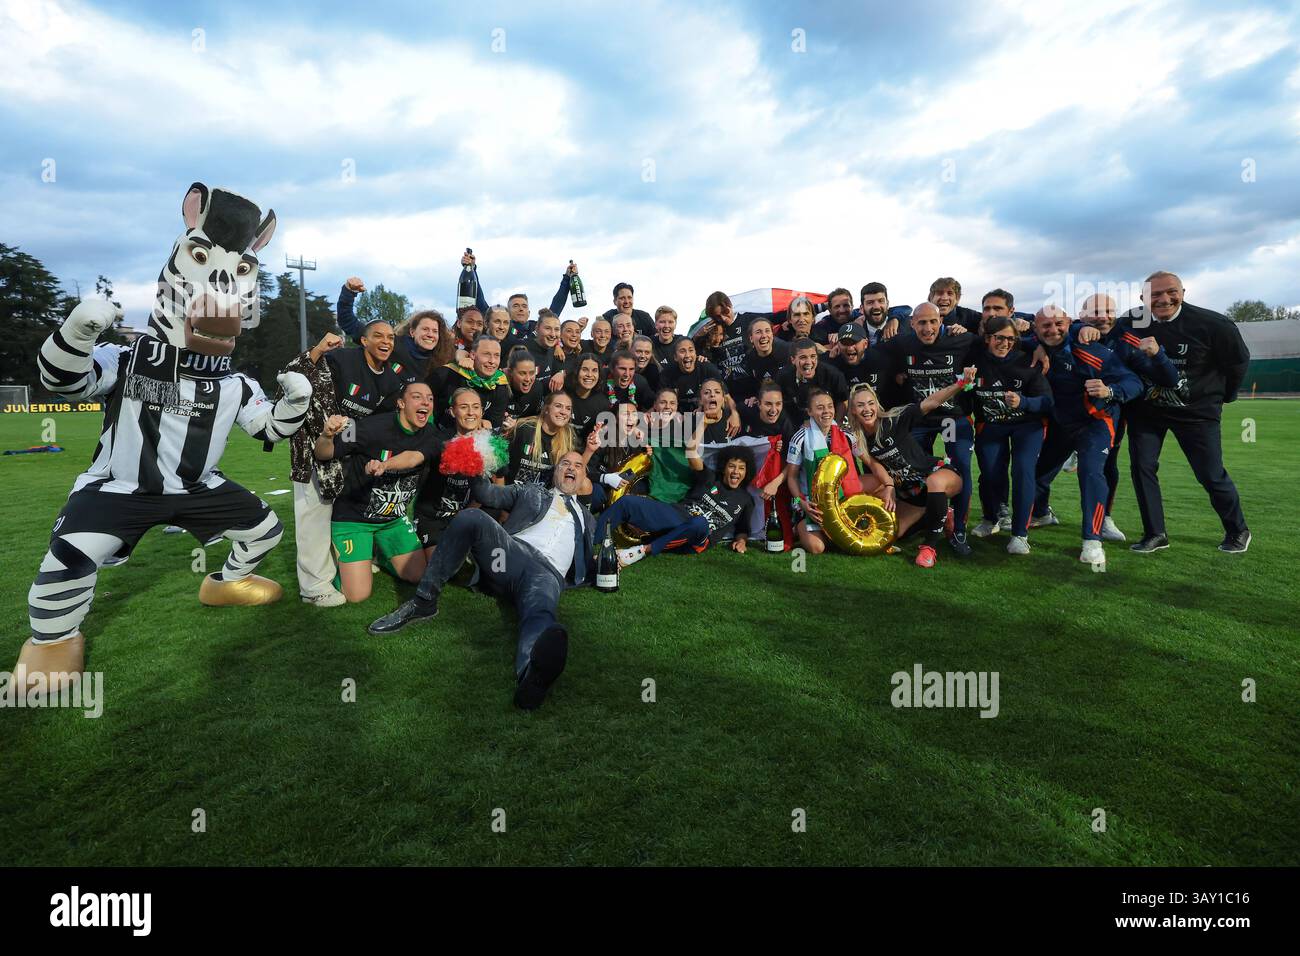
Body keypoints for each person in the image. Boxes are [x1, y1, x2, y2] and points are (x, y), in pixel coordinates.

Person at [368, 450, 598, 711]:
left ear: (583, 477)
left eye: (577, 465)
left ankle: (531, 677)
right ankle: (424, 601)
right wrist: (476, 465)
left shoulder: (588, 520)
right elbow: (487, 494)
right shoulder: (532, 492)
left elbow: (590, 562)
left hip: (548, 575)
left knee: (541, 613)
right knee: (472, 517)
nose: (571, 468)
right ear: (555, 471)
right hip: (512, 553)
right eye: (565, 463)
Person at [1125, 271, 1252, 554]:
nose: (1164, 299)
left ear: (1183, 292)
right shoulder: (1131, 322)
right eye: (1155, 294)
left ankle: (1237, 529)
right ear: (1143, 298)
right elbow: (1101, 333)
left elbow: (1238, 362)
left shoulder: (1213, 324)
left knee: (1209, 474)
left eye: (1171, 291)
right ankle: (1155, 533)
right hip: (1148, 411)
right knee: (1142, 468)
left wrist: (1223, 397)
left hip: (1196, 412)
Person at [1040, 293, 1180, 541]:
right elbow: (1042, 324)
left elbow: (1167, 380)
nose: (1102, 316)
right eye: (1094, 312)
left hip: (1108, 415)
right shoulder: (1068, 331)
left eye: (1107, 310)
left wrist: (1156, 355)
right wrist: (1038, 341)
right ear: (1081, 316)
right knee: (1042, 467)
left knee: (1103, 468)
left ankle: (1103, 519)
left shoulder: (1127, 341)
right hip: (1065, 416)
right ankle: (1040, 511)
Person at [1027, 306, 1142, 569]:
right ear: (1036, 329)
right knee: (1036, 473)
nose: (1053, 330)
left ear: (1069, 323)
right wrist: (1034, 345)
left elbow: (1134, 383)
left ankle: (1092, 541)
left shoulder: (1093, 352)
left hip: (1095, 423)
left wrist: (1109, 390)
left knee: (1091, 473)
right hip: (1059, 424)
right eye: (1046, 326)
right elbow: (1011, 330)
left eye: (1059, 324)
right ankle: (1042, 513)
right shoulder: (1032, 346)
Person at [313, 381, 435, 602]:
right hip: (354, 519)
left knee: (418, 575)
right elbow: (324, 454)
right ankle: (340, 559)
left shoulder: (431, 434)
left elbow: (413, 457)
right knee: (357, 595)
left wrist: (385, 465)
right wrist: (326, 436)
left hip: (393, 519)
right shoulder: (369, 427)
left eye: (430, 398)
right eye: (417, 397)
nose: (425, 402)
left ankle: (381, 553)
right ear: (400, 403)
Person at [876, 302, 979, 555]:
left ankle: (959, 530)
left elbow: (993, 340)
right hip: (920, 419)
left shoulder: (962, 339)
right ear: (912, 324)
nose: (928, 327)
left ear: (941, 321)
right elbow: (872, 350)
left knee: (959, 465)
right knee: (911, 471)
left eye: (933, 321)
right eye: (922, 322)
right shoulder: (903, 343)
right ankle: (928, 519)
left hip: (949, 419)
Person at [845, 373, 977, 568]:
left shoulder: (893, 420)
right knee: (893, 533)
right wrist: (889, 485)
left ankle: (929, 547)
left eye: (870, 403)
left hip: (938, 474)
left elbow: (931, 402)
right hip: (912, 493)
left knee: (934, 482)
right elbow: (875, 466)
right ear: (853, 411)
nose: (867, 409)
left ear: (877, 404)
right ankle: (939, 512)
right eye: (861, 405)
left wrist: (960, 384)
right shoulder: (859, 438)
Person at [596, 424, 755, 564]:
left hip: (698, 537)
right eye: (732, 466)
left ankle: (641, 551)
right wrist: (703, 423)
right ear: (724, 467)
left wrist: (741, 540)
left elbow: (743, 528)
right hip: (678, 516)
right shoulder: (710, 477)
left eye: (741, 468)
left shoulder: (745, 499)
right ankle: (589, 542)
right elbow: (691, 452)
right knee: (627, 503)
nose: (736, 471)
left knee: (699, 522)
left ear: (747, 472)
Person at [968, 317, 1053, 553]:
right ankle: (990, 519)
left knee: (1023, 471)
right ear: (988, 339)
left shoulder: (1028, 361)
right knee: (990, 473)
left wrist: (1023, 401)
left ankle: (1019, 534)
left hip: (1027, 426)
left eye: (1010, 339)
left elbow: (1047, 402)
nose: (1005, 343)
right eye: (999, 338)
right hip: (992, 425)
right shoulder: (975, 359)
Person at [282, 331, 349, 607]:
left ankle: (336, 569)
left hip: (339, 456)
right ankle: (314, 587)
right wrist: (317, 349)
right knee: (313, 520)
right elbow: (288, 377)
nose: (332, 350)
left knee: (333, 516)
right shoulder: (303, 369)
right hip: (309, 455)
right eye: (327, 348)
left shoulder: (338, 372)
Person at [784, 389, 865, 554]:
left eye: (830, 406)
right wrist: (802, 503)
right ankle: (799, 526)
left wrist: (888, 484)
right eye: (820, 407)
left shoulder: (845, 435)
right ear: (810, 412)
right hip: (811, 501)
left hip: (840, 497)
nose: (826, 411)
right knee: (817, 548)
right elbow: (791, 477)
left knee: (878, 483)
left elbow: (868, 460)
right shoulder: (800, 437)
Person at [415, 387, 493, 554]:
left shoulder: (490, 444)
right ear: (452, 411)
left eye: (476, 407)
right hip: (432, 517)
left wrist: (467, 515)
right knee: (437, 565)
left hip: (463, 516)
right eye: (464, 407)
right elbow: (417, 458)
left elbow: (495, 485)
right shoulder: (439, 440)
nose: (471, 412)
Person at [436, 334, 508, 430]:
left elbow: (495, 426)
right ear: (473, 355)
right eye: (486, 354)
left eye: (496, 355)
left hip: (476, 440)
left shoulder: (500, 383)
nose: (492, 361)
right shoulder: (448, 373)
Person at [729, 315, 792, 425]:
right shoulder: (748, 358)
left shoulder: (787, 350)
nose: (764, 336)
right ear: (751, 338)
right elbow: (749, 387)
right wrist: (754, 397)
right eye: (758, 332)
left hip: (789, 401)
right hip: (767, 404)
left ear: (772, 334)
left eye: (767, 331)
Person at [507, 391, 578, 487]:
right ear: (546, 409)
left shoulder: (568, 438)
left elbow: (576, 472)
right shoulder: (525, 429)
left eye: (568, 408)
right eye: (558, 406)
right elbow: (500, 464)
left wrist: (589, 450)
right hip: (514, 492)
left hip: (544, 497)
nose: (563, 412)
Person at [777, 337, 850, 420]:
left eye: (813, 356)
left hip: (829, 419)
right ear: (793, 360)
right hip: (797, 423)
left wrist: (837, 424)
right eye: (803, 357)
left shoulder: (832, 374)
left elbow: (843, 400)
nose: (809, 362)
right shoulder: (784, 377)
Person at [565, 354, 611, 439]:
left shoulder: (603, 404)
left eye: (594, 370)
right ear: (576, 371)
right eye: (584, 370)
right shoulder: (563, 395)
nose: (589, 375)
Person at [504, 347, 543, 425]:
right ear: (510, 372)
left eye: (532, 373)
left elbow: (536, 419)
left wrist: (518, 424)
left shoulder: (537, 388)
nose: (528, 379)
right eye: (522, 373)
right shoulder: (500, 388)